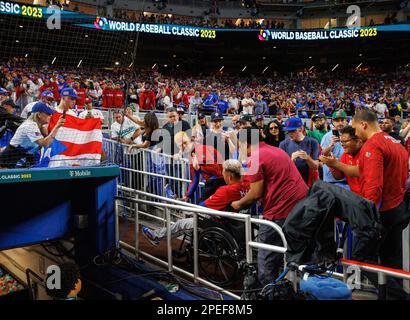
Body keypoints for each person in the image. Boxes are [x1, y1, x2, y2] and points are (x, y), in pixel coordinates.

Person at [231, 127, 308, 285]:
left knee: (266, 254)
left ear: (245, 143)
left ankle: (267, 291)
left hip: (281, 210)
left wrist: (237, 203)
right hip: (300, 206)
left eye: (239, 145)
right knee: (292, 251)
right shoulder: (276, 150)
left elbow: (256, 193)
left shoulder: (255, 158)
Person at [352, 109, 410, 300]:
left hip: (382, 212)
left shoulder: (373, 145)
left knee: (361, 257)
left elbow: (374, 186)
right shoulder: (395, 143)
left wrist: (367, 216)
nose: (355, 133)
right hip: (398, 208)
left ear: (363, 124)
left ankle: (400, 297)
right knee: (391, 261)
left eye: (354, 128)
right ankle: (390, 297)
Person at [141, 159, 250, 245]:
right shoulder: (248, 186)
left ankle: (157, 235)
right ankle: (175, 201)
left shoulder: (225, 191)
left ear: (229, 176)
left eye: (224, 173)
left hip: (219, 224)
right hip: (236, 224)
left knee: (182, 222)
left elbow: (201, 207)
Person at [0, 102, 65, 168]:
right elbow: (45, 143)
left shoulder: (39, 126)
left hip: (25, 158)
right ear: (39, 114)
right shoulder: (30, 125)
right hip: (11, 159)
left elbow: (49, 139)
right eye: (48, 114)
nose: (50, 116)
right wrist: (57, 126)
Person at [173, 131, 224, 202]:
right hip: (213, 181)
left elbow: (217, 171)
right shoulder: (191, 154)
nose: (184, 146)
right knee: (201, 204)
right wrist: (187, 196)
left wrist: (200, 168)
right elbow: (195, 178)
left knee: (202, 205)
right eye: (181, 145)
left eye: (185, 143)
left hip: (220, 180)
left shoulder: (200, 149)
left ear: (190, 140)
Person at [319, 126, 362, 195]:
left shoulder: (366, 152)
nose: (342, 144)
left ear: (357, 140)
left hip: (368, 196)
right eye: (341, 142)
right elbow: (338, 177)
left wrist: (336, 164)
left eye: (345, 141)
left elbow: (359, 172)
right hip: (354, 195)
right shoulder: (345, 154)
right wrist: (331, 165)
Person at [279, 117, 320, 186]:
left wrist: (307, 158)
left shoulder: (313, 142)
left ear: (301, 129)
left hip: (309, 182)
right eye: (288, 131)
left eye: (293, 131)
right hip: (291, 182)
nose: (290, 134)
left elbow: (315, 167)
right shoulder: (283, 144)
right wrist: (291, 160)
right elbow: (282, 169)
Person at [320, 110, 349, 188]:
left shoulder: (352, 135)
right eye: (337, 120)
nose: (340, 123)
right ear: (332, 121)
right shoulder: (327, 136)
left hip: (348, 178)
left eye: (342, 120)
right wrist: (330, 145)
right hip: (331, 180)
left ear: (346, 120)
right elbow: (322, 155)